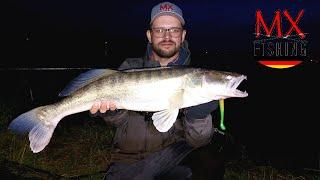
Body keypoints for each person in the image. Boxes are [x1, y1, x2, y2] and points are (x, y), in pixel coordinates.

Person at [90, 2, 220, 179]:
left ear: (183, 35)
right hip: (128, 159)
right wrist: (112, 112)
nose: (167, 36)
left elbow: (199, 141)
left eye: (174, 30)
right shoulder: (129, 67)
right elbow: (117, 123)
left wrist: (198, 116)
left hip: (175, 156)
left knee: (208, 163)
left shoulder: (195, 77)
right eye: (159, 30)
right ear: (149, 35)